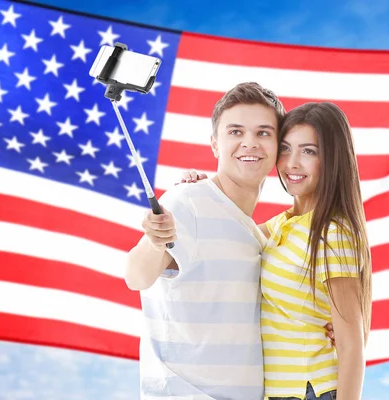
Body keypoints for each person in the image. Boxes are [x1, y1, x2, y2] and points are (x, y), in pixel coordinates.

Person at [178, 102, 372, 400]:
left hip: (311, 390)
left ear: (332, 160)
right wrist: (202, 193)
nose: (292, 163)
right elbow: (230, 235)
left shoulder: (332, 234)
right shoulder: (283, 225)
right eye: (285, 149)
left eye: (309, 151)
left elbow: (351, 345)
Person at [125, 82, 286, 400]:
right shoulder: (187, 200)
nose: (249, 143)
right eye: (236, 132)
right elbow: (137, 276)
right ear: (215, 144)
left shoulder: (255, 235)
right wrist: (154, 239)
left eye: (263, 133)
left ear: (280, 145)